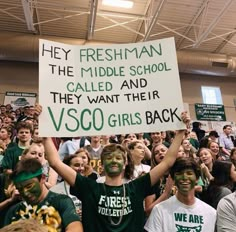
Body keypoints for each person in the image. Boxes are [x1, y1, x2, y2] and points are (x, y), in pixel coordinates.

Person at [41, 110, 190, 232]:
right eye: (109, 158)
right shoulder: (89, 187)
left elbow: (168, 161)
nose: (113, 160)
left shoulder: (136, 187)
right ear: (102, 164)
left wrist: (180, 132)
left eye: (118, 158)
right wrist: (45, 132)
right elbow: (54, 162)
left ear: (125, 163)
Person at [3, 158, 83, 232]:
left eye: (29, 186)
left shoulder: (61, 202)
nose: (25, 193)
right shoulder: (14, 212)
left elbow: (76, 228)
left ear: (43, 178)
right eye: (20, 189)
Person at [145, 157, 216, 232]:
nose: (184, 177)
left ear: (197, 179)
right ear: (173, 179)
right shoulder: (159, 210)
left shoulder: (211, 213)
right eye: (179, 174)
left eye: (189, 173)